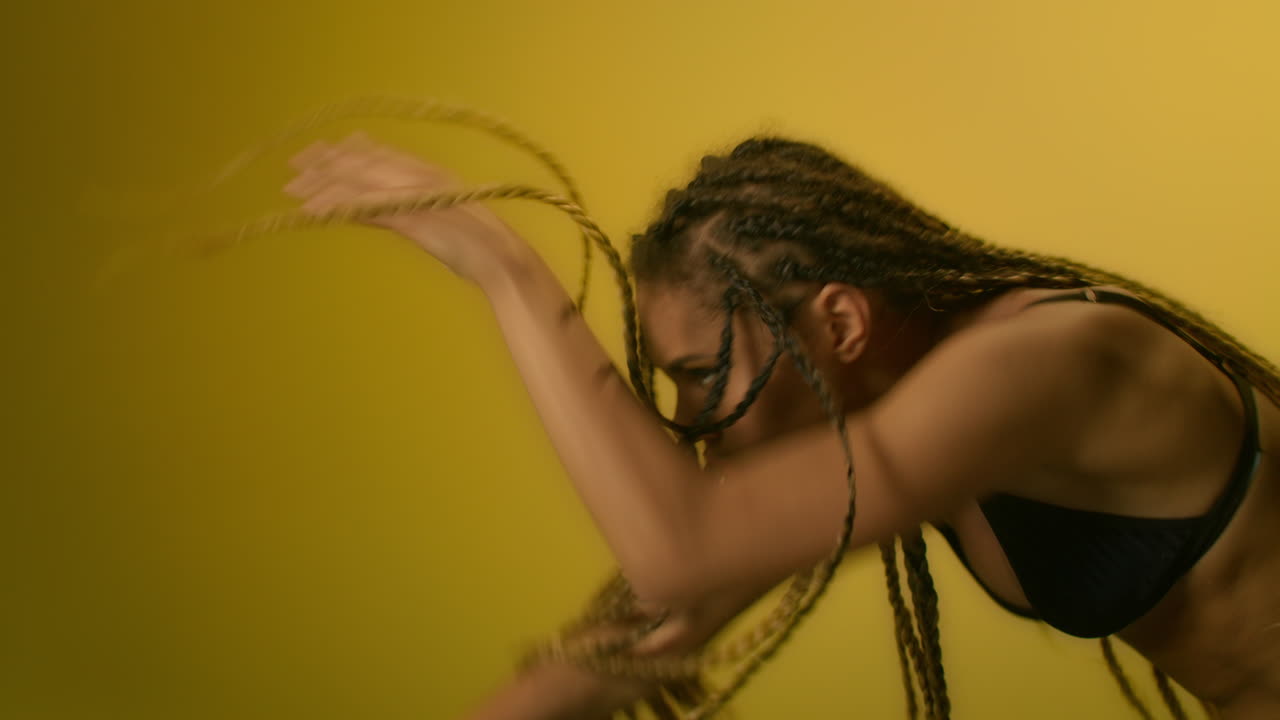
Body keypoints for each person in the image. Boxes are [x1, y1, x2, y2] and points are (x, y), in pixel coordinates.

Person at [281, 130, 1278, 719]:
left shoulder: (1044, 364)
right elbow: (640, 636)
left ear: (838, 324)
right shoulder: (892, 417)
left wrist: (506, 271)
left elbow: (684, 550)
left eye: (700, 376)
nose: (686, 422)